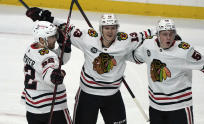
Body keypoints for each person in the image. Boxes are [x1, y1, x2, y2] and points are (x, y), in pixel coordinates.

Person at [25, 7, 157, 124]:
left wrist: (164, 31)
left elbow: (145, 34)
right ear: (100, 29)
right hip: (88, 95)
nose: (110, 32)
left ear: (117, 29)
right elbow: (68, 28)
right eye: (106, 28)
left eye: (113, 28)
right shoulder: (88, 38)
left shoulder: (126, 40)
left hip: (112, 96)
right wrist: (48, 18)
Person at [128, 19, 204, 124]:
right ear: (157, 34)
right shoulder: (148, 45)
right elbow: (134, 57)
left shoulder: (184, 51)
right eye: (164, 34)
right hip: (155, 107)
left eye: (171, 34)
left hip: (179, 108)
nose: (168, 38)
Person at [21, 20, 72, 124]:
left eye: (55, 36)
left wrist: (64, 46)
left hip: (32, 109)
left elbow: (56, 60)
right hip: (52, 108)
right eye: (52, 37)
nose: (55, 39)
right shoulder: (48, 56)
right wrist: (54, 76)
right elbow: (49, 70)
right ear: (41, 39)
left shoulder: (31, 49)